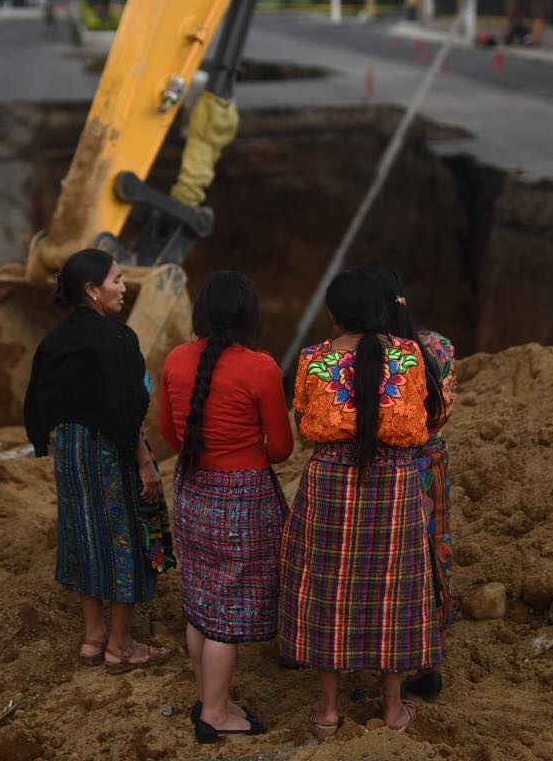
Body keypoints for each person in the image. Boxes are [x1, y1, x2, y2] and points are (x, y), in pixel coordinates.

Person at [279, 268, 448, 738]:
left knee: (326, 589)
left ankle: (328, 712)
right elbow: (425, 421)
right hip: (394, 484)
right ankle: (393, 710)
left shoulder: (314, 359)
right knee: (395, 590)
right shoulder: (411, 356)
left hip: (329, 482)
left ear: (334, 314)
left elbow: (302, 422)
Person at [24, 249, 172, 675]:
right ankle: (121, 645)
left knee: (84, 534)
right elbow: (126, 408)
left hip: (70, 450)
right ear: (92, 289)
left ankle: (93, 638)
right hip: (111, 448)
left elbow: (38, 399)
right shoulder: (118, 339)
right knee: (123, 534)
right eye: (117, 280)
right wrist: (145, 462)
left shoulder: (55, 340)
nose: (124, 288)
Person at [159, 271, 293, 744]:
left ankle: (209, 698)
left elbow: (170, 434)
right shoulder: (260, 368)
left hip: (192, 490)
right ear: (248, 316)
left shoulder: (175, 360)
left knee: (201, 601)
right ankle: (214, 714)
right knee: (228, 613)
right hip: (242, 497)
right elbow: (281, 448)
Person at [367, 267, 458, 707]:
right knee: (436, 552)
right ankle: (433, 666)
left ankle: (398, 668)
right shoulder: (439, 346)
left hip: (397, 469)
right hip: (434, 462)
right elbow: (444, 408)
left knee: (398, 569)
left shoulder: (380, 355)